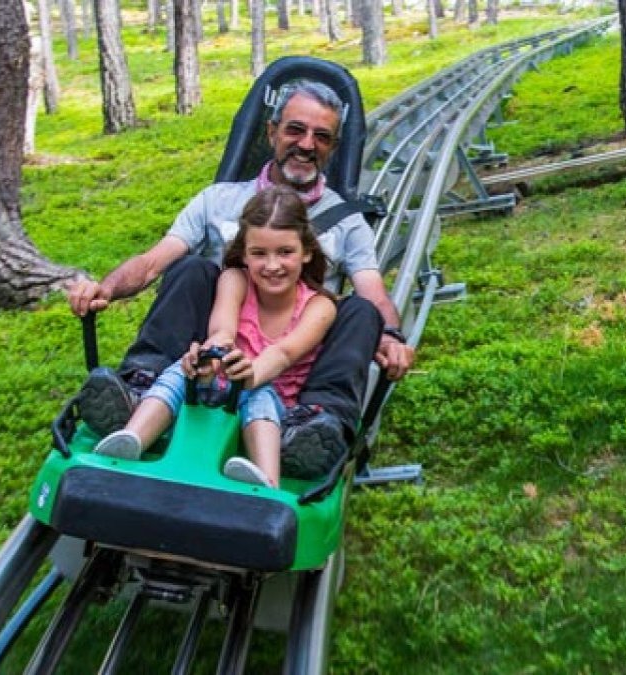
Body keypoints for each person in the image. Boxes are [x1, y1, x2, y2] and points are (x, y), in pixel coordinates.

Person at [67, 79, 415, 478]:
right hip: (215, 344)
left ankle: (316, 423)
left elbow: (374, 294)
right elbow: (152, 262)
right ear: (272, 132)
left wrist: (391, 337)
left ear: (333, 148)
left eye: (321, 137)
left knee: (361, 312)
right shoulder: (218, 200)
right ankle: (141, 387)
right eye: (295, 130)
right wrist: (106, 288)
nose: (306, 145)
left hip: (299, 347)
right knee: (192, 269)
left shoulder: (348, 222)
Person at [94, 187, 336, 487]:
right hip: (221, 385)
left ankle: (267, 478)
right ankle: (131, 438)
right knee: (177, 372)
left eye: (285, 252)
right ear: (244, 254)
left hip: (272, 402)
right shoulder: (235, 280)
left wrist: (249, 376)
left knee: (259, 394)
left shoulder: (319, 306)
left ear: (307, 252)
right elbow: (223, 331)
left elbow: (283, 354)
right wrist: (206, 358)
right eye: (259, 253)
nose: (272, 265)